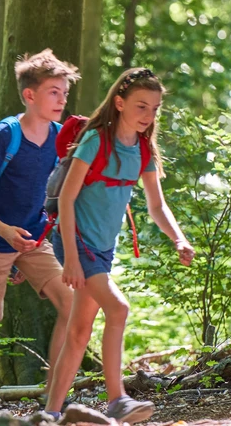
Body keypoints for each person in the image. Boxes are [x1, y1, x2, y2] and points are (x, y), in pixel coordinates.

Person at [41, 68, 195, 424]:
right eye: (141, 106)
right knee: (119, 308)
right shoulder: (96, 141)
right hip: (77, 243)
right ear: (120, 103)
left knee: (79, 332)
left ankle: (50, 413)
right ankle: (117, 400)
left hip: (102, 250)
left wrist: (179, 239)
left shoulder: (143, 150)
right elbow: (66, 200)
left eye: (154, 108)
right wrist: (71, 260)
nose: (148, 115)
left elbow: (157, 206)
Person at [0, 50, 79, 424]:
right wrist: (6, 233)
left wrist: (28, 242)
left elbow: (50, 194)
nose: (61, 99)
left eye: (64, 93)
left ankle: (52, 407)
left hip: (33, 241)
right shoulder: (4, 138)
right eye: (54, 92)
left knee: (73, 306)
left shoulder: (59, 137)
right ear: (29, 95)